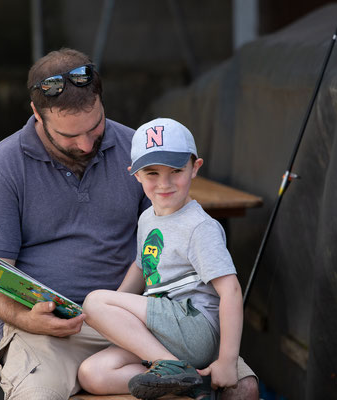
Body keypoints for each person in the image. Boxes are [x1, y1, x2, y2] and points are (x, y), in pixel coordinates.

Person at [0, 48, 259, 400]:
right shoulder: (2, 167)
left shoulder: (137, 152)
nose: (87, 143)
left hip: (144, 319)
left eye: (95, 126)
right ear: (37, 115)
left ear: (101, 101)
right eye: (69, 136)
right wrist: (28, 319)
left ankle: (174, 371)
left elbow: (169, 238)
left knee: (241, 387)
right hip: (48, 335)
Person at [77, 117, 245, 399]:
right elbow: (143, 267)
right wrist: (110, 317)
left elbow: (231, 291)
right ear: (135, 174)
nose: (164, 184)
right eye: (152, 173)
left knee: (95, 301)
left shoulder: (199, 227)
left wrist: (228, 360)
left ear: (195, 168)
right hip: (163, 333)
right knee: (93, 374)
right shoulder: (147, 218)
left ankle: (172, 367)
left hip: (194, 328)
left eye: (176, 170)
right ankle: (190, 383)